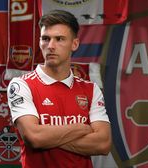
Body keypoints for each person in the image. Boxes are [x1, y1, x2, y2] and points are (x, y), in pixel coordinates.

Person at [7, 10, 111, 168]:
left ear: (74, 44)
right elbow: (34, 137)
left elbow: (103, 143)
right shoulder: (21, 85)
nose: (51, 46)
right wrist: (80, 128)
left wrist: (47, 137)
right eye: (45, 39)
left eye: (59, 39)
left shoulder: (90, 89)